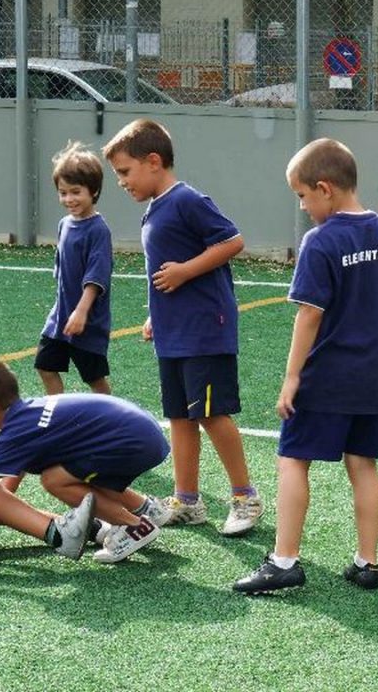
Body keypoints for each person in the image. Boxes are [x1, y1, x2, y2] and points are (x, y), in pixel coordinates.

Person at [233, 138, 378, 594]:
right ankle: (367, 562)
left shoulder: (320, 241)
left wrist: (291, 378)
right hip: (375, 378)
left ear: (324, 188)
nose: (302, 206)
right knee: (363, 463)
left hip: (327, 378)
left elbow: (309, 314)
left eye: (302, 195)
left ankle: (284, 561)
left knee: (292, 459)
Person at [104, 118, 262, 537]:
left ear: (153, 161)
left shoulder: (186, 199)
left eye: (125, 171)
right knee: (179, 416)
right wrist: (157, 313)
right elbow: (164, 270)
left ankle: (245, 496)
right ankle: (187, 500)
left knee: (211, 414)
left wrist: (186, 272)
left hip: (204, 332)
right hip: (174, 334)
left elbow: (232, 241)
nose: (121, 182)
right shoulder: (155, 209)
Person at [0, 359, 171, 563]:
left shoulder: (15, 435)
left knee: (55, 480)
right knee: (77, 473)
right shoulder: (25, 416)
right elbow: (6, 491)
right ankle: (147, 508)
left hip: (132, 441)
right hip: (143, 432)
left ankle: (134, 526)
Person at [35, 141, 113, 395]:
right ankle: (61, 417)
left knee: (94, 379)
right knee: (45, 366)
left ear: (94, 191)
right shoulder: (64, 224)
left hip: (87, 321)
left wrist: (81, 312)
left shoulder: (98, 230)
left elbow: (96, 276)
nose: (69, 199)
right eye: (63, 192)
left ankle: (109, 419)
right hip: (60, 318)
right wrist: (64, 310)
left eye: (76, 192)